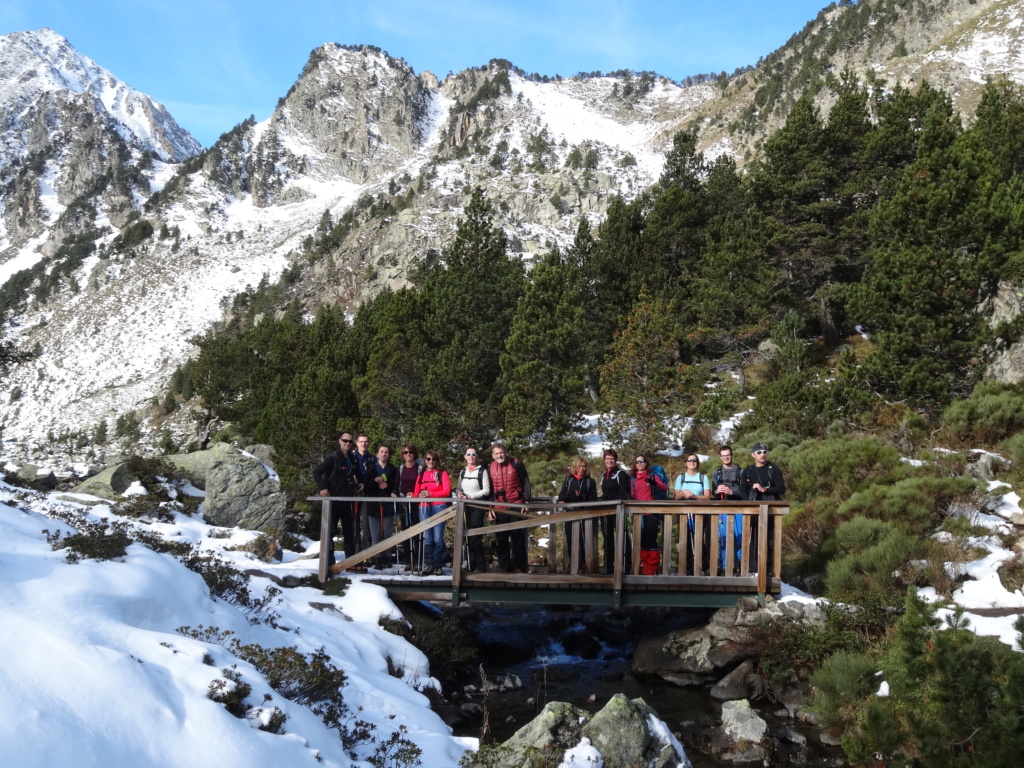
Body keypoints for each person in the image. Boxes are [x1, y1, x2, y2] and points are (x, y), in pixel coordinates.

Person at [312, 432, 358, 568]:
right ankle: (329, 562)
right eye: (345, 441)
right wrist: (322, 488)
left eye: (350, 442)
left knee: (349, 532)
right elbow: (316, 472)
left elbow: (358, 474)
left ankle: (350, 562)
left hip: (347, 501)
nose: (347, 444)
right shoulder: (332, 459)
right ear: (339, 441)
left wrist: (361, 483)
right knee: (330, 532)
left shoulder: (353, 459)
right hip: (332, 501)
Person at [740, 442, 785, 573]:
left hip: (770, 509)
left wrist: (764, 490)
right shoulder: (747, 471)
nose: (762, 455)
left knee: (770, 539)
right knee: (752, 539)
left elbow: (781, 488)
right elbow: (742, 490)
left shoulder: (774, 469)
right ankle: (752, 568)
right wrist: (749, 502)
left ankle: (769, 570)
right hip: (752, 509)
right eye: (759, 452)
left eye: (765, 452)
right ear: (753, 455)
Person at [487, 443, 531, 573]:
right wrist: (490, 507)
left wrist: (526, 501)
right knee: (501, 538)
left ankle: (519, 567)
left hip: (516, 504)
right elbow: (489, 489)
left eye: (501, 452)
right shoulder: (490, 466)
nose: (499, 455)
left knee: (518, 537)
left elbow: (526, 481)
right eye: (496, 453)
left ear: (506, 453)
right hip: (499, 507)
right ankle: (504, 567)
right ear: (493, 455)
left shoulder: (516, 463)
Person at [412, 450, 451, 576]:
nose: (431, 462)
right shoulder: (421, 473)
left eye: (433, 459)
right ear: (425, 460)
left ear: (437, 461)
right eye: (428, 459)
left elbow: (446, 491)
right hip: (424, 506)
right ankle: (429, 564)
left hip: (439, 506)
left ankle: (438, 565)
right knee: (428, 537)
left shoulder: (442, 473)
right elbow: (415, 492)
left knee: (438, 537)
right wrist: (419, 495)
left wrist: (431, 494)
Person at [557, 457, 597, 573]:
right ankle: (572, 565)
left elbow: (594, 499)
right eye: (579, 466)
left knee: (583, 540)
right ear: (575, 467)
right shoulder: (569, 480)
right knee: (570, 539)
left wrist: (583, 497)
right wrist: (571, 496)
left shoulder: (590, 481)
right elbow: (561, 497)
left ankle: (584, 565)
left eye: (583, 466)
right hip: (570, 513)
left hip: (584, 513)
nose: (581, 469)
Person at [630, 454, 668, 575]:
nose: (640, 463)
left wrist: (654, 483)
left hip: (652, 513)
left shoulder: (652, 475)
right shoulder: (632, 479)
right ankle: (645, 566)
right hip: (638, 514)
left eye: (642, 461)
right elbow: (632, 495)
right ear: (634, 465)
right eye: (637, 462)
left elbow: (664, 488)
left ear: (646, 463)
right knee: (641, 541)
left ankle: (652, 568)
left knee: (651, 540)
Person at [675, 454, 712, 574]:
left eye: (694, 460)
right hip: (684, 513)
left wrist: (694, 496)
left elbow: (707, 497)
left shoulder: (703, 478)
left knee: (699, 539)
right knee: (685, 539)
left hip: (700, 513)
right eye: (689, 460)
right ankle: (687, 568)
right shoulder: (680, 478)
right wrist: (683, 492)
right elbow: (676, 497)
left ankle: (702, 566)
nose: (692, 462)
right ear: (685, 463)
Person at [456, 447, 491, 573]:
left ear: (477, 457)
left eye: (473, 454)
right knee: (466, 537)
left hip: (477, 506)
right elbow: (458, 488)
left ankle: (481, 567)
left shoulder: (482, 471)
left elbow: (486, 490)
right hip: (465, 506)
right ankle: (471, 565)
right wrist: (460, 494)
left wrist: (471, 496)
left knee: (475, 536)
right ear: (465, 457)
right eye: (468, 454)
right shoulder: (463, 472)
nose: (471, 457)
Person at [364, 444, 398, 570]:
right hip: (373, 506)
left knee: (387, 533)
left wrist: (388, 487)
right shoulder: (371, 469)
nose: (384, 454)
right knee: (375, 535)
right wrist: (374, 481)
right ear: (377, 454)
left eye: (387, 452)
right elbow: (366, 488)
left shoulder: (393, 470)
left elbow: (395, 486)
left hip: (387, 505)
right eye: (382, 451)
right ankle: (377, 558)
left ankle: (388, 557)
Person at [598, 449, 631, 575]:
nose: (609, 461)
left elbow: (623, 493)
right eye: (607, 459)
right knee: (607, 539)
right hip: (605, 511)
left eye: (612, 458)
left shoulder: (620, 474)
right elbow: (604, 494)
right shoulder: (603, 475)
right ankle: (608, 567)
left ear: (615, 460)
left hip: (618, 510)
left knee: (622, 537)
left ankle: (625, 566)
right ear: (604, 460)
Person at [712, 444, 744, 571]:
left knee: (739, 537)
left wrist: (732, 492)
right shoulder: (716, 473)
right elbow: (713, 493)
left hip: (738, 509)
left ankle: (740, 566)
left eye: (728, 455)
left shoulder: (740, 472)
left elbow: (744, 492)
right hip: (722, 509)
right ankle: (725, 567)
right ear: (720, 457)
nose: (726, 458)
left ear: (732, 455)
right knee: (723, 538)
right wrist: (717, 491)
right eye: (723, 456)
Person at [395, 443, 423, 569]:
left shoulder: (419, 468)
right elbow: (396, 484)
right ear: (402, 454)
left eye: (410, 452)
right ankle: (408, 561)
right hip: (404, 503)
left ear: (414, 454)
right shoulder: (400, 468)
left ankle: (417, 560)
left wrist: (415, 494)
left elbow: (423, 484)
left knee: (417, 531)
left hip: (417, 503)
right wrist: (398, 494)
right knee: (406, 531)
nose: (408, 455)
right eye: (405, 452)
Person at [353, 434, 375, 551]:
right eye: (361, 442)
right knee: (354, 523)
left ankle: (366, 553)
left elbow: (377, 474)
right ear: (357, 443)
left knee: (366, 524)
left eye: (366, 441)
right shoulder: (351, 457)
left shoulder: (372, 458)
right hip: (354, 493)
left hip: (367, 493)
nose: (363, 444)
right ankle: (355, 551)